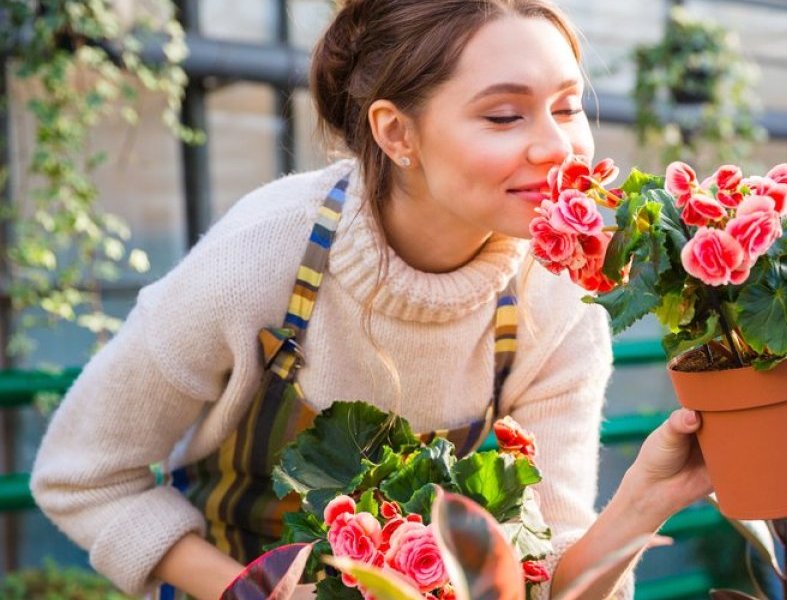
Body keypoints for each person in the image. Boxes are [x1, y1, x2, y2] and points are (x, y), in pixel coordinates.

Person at [29, 1, 713, 598]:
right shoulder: (261, 256)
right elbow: (82, 476)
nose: (558, 147)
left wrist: (644, 502)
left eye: (567, 106)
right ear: (396, 133)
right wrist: (255, 593)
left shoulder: (558, 300)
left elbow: (548, 576)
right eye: (505, 115)